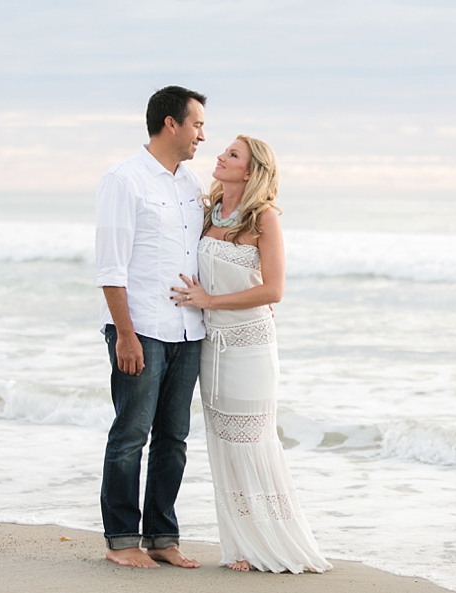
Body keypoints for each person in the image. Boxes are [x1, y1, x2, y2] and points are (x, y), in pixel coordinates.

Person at [172, 135, 333, 574]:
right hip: (211, 347)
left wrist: (209, 301)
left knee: (252, 440)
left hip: (251, 345)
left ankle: (272, 540)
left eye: (232, 154)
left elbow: (273, 290)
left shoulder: (264, 219)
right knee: (222, 443)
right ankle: (240, 545)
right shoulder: (207, 213)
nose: (221, 157)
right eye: (224, 151)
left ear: (251, 170)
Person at [95, 85, 207, 569]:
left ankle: (162, 535)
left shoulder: (190, 183)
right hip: (140, 328)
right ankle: (121, 539)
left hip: (189, 330)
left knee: (174, 438)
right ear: (171, 124)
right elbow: (110, 267)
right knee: (131, 434)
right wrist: (124, 334)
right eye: (198, 124)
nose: (203, 134)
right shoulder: (123, 180)